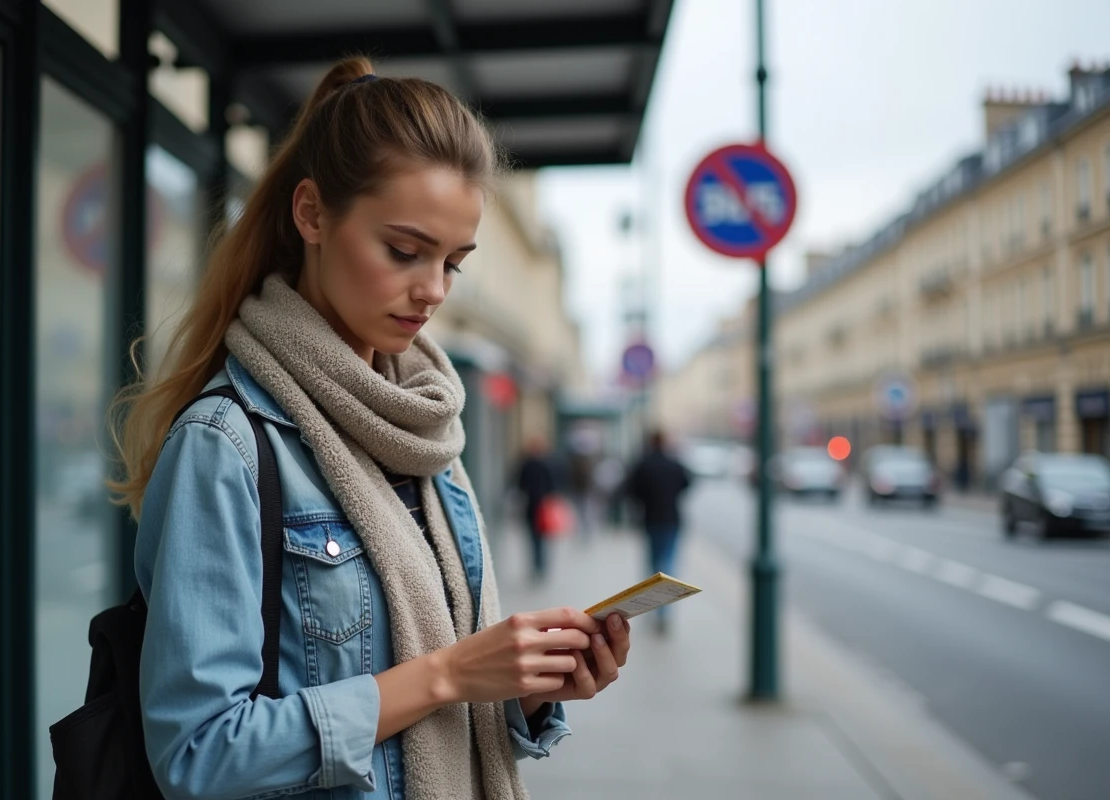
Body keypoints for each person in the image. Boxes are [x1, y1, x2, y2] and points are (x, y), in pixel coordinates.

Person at [110, 58, 631, 800]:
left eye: (454, 261)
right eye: (404, 251)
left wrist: (526, 691)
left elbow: (434, 716)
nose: (433, 290)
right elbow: (199, 754)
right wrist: (448, 673)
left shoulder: (425, 429)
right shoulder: (226, 442)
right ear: (313, 214)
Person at [624, 430, 692, 634]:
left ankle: (652, 606)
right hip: (672, 519)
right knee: (668, 564)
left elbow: (632, 490)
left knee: (653, 565)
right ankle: (664, 611)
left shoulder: (643, 464)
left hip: (651, 519)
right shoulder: (674, 464)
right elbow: (687, 483)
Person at [516, 434, 557, 582]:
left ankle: (538, 566)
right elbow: (553, 486)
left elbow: (520, 484)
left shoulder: (527, 464)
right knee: (539, 539)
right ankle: (540, 566)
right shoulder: (546, 463)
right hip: (540, 506)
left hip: (534, 506)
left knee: (535, 539)